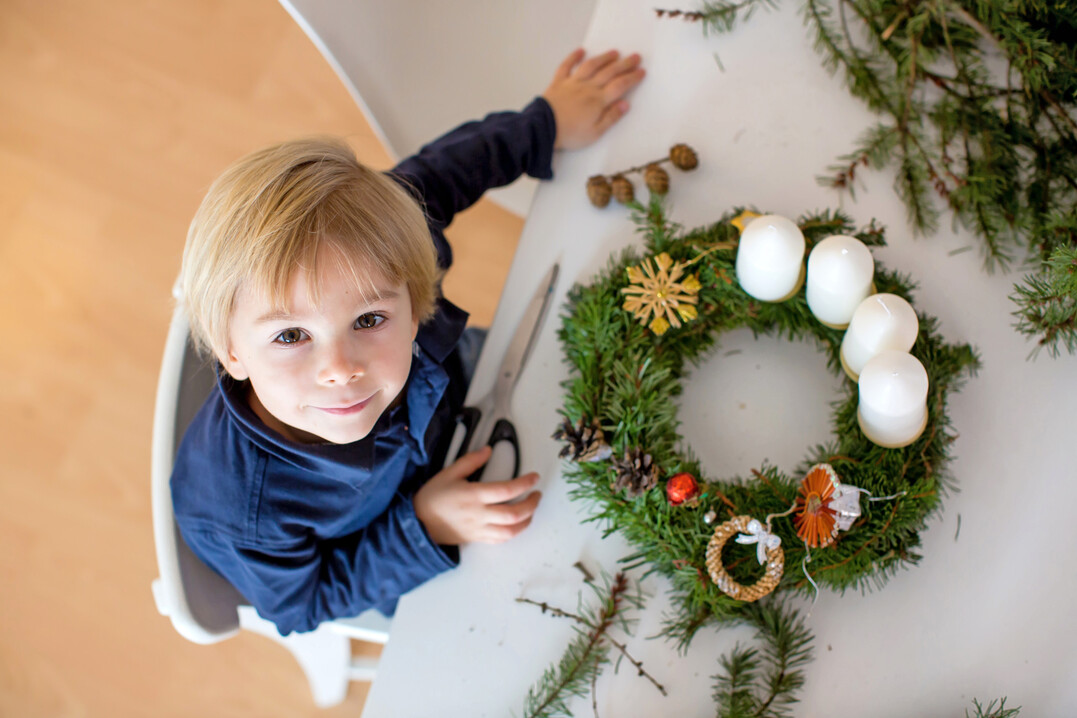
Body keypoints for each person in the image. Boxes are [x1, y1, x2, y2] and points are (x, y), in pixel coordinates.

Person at [171, 49, 645, 635]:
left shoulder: (375, 244)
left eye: (368, 320)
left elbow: (442, 173)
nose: (340, 368)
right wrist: (425, 525)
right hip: (404, 539)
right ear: (231, 351)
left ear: (414, 296)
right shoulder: (241, 508)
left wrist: (543, 123)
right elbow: (303, 603)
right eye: (292, 335)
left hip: (461, 392)